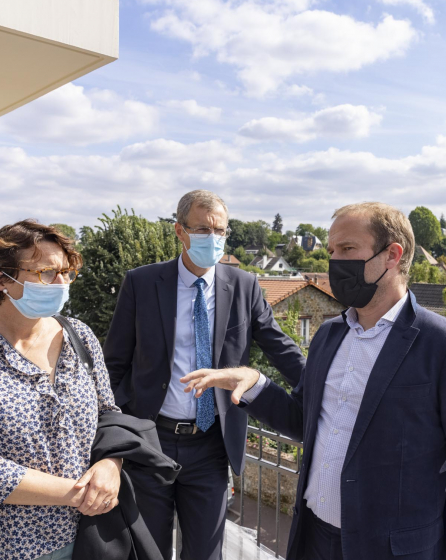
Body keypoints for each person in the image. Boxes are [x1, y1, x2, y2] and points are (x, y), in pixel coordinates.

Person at [181, 202, 446, 560]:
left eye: (348, 249)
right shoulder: (328, 334)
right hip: (314, 539)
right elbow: (303, 420)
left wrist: (427, 533)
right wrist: (255, 382)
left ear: (392, 255)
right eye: (332, 251)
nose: (335, 262)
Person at [103, 190, 306, 560]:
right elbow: (113, 365)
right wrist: (114, 439)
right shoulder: (143, 283)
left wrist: (324, 387)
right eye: (203, 229)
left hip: (211, 446)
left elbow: (281, 348)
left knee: (206, 554)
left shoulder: (244, 286)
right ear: (180, 231)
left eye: (221, 231)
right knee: (148, 552)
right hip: (151, 442)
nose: (213, 238)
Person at [0, 220, 122, 560]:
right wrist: (80, 494)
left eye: (66, 271)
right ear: (0, 279)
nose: (61, 282)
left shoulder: (80, 336)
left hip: (92, 539)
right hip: (8, 546)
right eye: (47, 272)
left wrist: (111, 466)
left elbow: (109, 415)